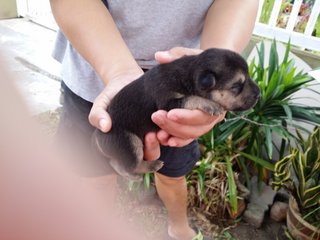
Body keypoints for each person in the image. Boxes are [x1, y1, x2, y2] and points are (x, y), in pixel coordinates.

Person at [50, 1, 258, 239]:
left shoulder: (200, 81)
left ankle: (179, 227)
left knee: (174, 176)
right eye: (237, 87)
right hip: (93, 79)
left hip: (185, 85)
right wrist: (118, 70)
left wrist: (219, 54)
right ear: (206, 83)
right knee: (96, 177)